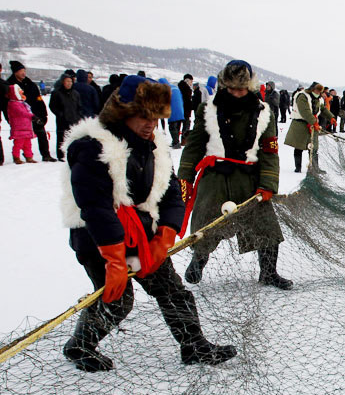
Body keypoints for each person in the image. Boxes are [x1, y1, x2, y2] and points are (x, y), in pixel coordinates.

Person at [60, 75, 236, 371]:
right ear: (123, 112)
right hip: (98, 239)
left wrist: (165, 235)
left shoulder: (155, 146)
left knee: (172, 290)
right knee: (117, 299)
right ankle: (80, 345)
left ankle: (193, 346)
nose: (149, 124)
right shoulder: (93, 147)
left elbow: (170, 195)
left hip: (143, 233)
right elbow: (95, 208)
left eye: (155, 117)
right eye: (142, 116)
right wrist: (115, 260)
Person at [178, 60, 291, 289]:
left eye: (242, 89)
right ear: (224, 86)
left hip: (250, 181)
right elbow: (194, 147)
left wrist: (268, 184)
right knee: (205, 228)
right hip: (215, 180)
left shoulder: (263, 113)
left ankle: (268, 272)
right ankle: (198, 261)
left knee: (267, 228)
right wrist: (185, 177)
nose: (237, 94)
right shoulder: (207, 110)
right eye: (232, 89)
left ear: (250, 87)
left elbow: (269, 152)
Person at [7, 60, 55, 161]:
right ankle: (21, 156)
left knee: (41, 133)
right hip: (20, 116)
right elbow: (7, 104)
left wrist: (43, 114)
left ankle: (46, 155)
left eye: (24, 70)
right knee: (22, 137)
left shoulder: (31, 84)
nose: (23, 73)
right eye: (21, 70)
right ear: (15, 72)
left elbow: (39, 99)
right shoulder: (10, 85)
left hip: (35, 113)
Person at [285, 81, 333, 175]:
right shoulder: (302, 96)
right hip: (300, 124)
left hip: (312, 124)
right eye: (317, 91)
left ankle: (315, 168)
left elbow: (322, 109)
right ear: (312, 89)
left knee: (314, 147)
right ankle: (298, 167)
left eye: (320, 92)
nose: (318, 93)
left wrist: (331, 117)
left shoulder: (319, 99)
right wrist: (314, 122)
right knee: (299, 146)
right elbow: (305, 111)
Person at [49, 71, 82, 160]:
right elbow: (52, 106)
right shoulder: (56, 93)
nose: (69, 83)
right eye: (67, 81)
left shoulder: (75, 93)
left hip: (74, 118)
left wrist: (78, 115)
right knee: (61, 137)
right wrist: (60, 114)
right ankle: (61, 155)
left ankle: (73, 154)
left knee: (74, 137)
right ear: (62, 82)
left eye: (71, 81)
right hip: (62, 119)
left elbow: (79, 106)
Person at [7, 84, 37, 163]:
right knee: (18, 144)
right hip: (19, 128)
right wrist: (32, 116)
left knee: (28, 143)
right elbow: (22, 113)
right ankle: (16, 157)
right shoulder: (13, 104)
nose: (22, 92)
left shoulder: (22, 103)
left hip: (26, 127)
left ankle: (29, 157)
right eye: (19, 91)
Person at [161, 78, 185, 149]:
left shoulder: (166, 90)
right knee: (177, 126)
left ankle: (176, 143)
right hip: (180, 109)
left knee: (172, 127)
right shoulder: (175, 88)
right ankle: (175, 142)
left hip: (173, 110)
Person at [177, 74, 194, 144]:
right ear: (188, 80)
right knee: (186, 125)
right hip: (186, 110)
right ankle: (184, 141)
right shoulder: (187, 89)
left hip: (179, 109)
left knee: (178, 125)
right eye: (191, 81)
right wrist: (192, 105)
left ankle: (176, 140)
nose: (191, 83)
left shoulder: (179, 87)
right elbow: (187, 101)